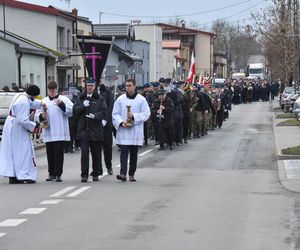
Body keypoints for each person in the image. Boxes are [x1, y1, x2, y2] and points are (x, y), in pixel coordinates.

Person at [0, 85, 41, 184]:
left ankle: (13, 175)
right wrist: (34, 125)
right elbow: (23, 120)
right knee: (22, 151)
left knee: (11, 152)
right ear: (33, 95)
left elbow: (32, 103)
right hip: (17, 128)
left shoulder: (20, 96)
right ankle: (23, 175)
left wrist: (42, 104)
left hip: (11, 124)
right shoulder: (23, 102)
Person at [112, 79, 150, 182]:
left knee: (133, 153)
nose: (128, 87)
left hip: (135, 131)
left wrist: (134, 117)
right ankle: (123, 173)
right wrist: (121, 122)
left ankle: (132, 174)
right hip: (124, 131)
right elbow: (115, 114)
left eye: (130, 85)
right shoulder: (120, 99)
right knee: (123, 152)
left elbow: (146, 114)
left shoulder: (141, 100)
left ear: (134, 86)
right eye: (126, 85)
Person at [39, 81, 74, 182]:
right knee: (50, 153)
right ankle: (51, 173)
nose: (51, 93)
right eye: (50, 91)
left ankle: (58, 174)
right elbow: (38, 114)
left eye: (53, 91)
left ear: (56, 89)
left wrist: (61, 105)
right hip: (49, 131)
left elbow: (71, 111)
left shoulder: (63, 99)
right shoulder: (44, 101)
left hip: (59, 131)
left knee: (58, 153)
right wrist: (41, 116)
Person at [73, 79, 107, 182]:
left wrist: (95, 116)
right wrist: (83, 106)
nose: (90, 87)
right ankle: (84, 174)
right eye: (88, 85)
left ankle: (96, 173)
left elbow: (104, 112)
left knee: (96, 153)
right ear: (85, 86)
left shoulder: (99, 99)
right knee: (84, 153)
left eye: (92, 85)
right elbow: (75, 111)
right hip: (83, 129)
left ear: (94, 86)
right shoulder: (80, 98)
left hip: (95, 129)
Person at [99, 79, 114, 175]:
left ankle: (109, 166)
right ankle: (98, 169)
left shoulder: (108, 92)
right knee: (96, 148)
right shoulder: (89, 91)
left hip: (106, 123)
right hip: (94, 124)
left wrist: (105, 119)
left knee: (107, 146)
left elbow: (110, 107)